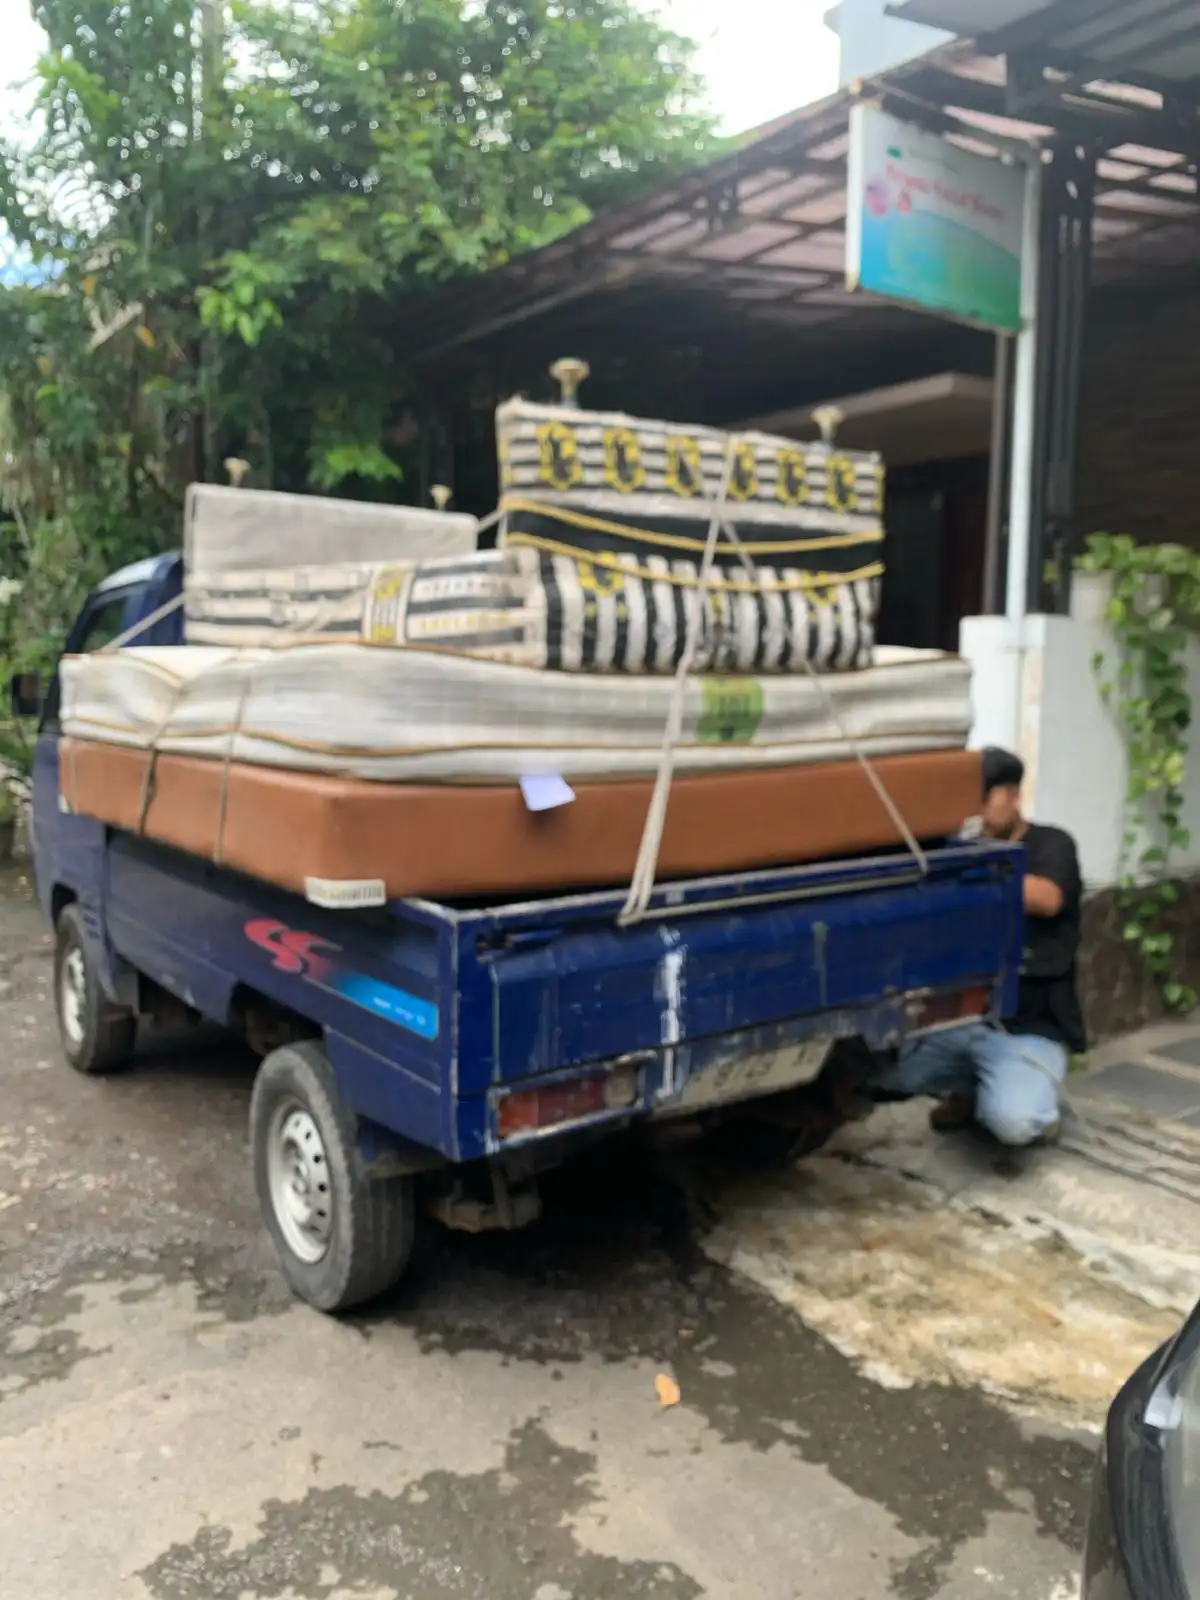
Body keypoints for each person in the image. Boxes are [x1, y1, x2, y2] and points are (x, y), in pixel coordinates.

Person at [878, 746, 1086, 1147]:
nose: (977, 811)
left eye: (986, 798)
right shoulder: (962, 848)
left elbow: (1047, 898)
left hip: (1029, 1029)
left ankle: (1040, 1109)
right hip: (961, 1024)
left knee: (1015, 1123)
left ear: (1014, 797)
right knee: (879, 1076)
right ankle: (972, 1089)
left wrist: (970, 868)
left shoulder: (1052, 843)